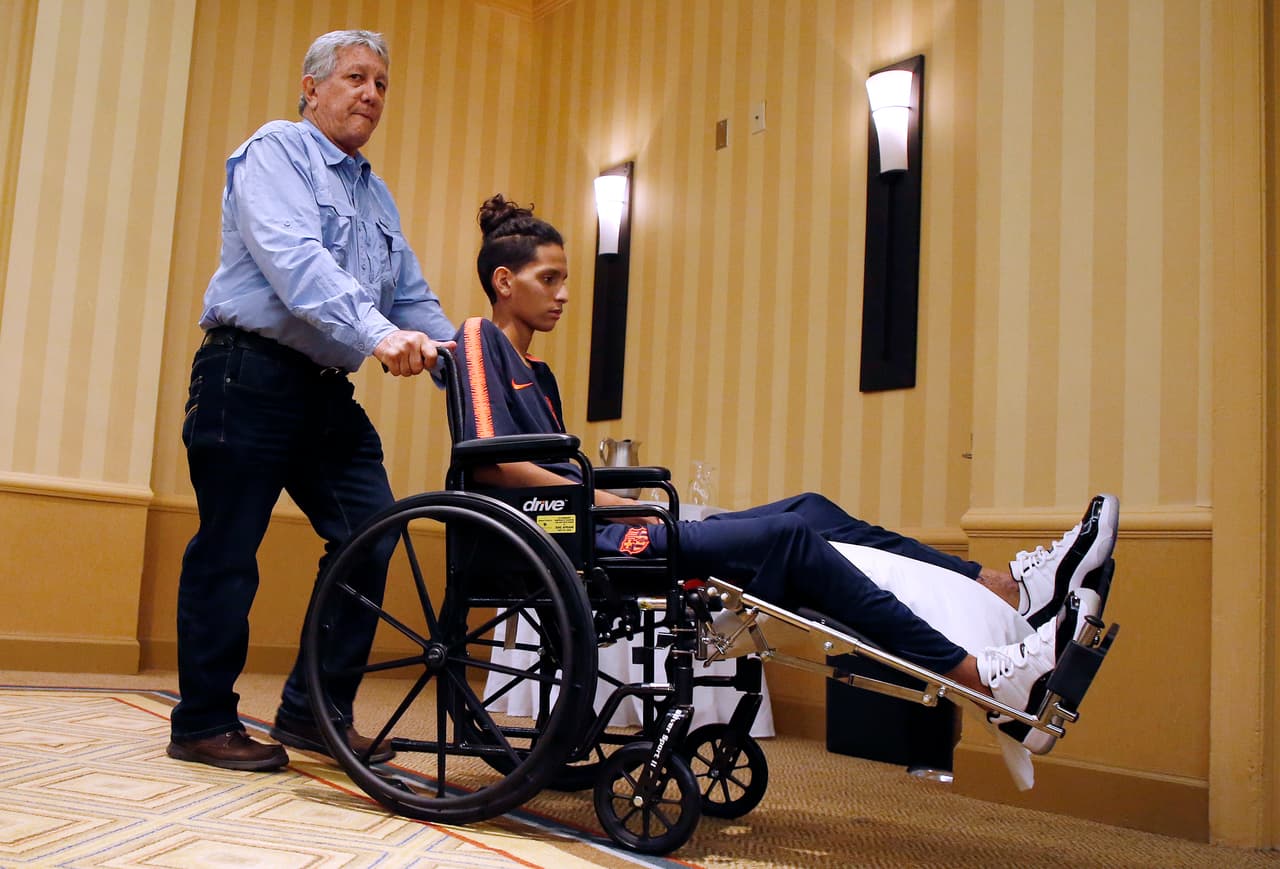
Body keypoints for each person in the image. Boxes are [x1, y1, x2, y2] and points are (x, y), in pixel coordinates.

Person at [452, 195, 1118, 755]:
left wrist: (605, 497)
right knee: (788, 539)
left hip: (584, 520)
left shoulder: (538, 372)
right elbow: (490, 460)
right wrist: (610, 499)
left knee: (810, 509)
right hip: (560, 535)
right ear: (505, 282)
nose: (564, 294)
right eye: (549, 279)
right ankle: (980, 678)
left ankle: (1006, 587)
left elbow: (544, 464)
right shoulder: (478, 337)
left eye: (565, 279)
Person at [167, 30, 456, 772]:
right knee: (230, 548)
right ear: (311, 88)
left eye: (381, 84)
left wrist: (469, 362)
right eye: (356, 78)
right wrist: (379, 334)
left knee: (372, 532)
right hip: (247, 373)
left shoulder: (376, 194)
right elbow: (296, 261)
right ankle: (202, 722)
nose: (371, 94)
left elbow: (411, 296)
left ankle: (311, 713)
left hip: (324, 391)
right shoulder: (276, 151)